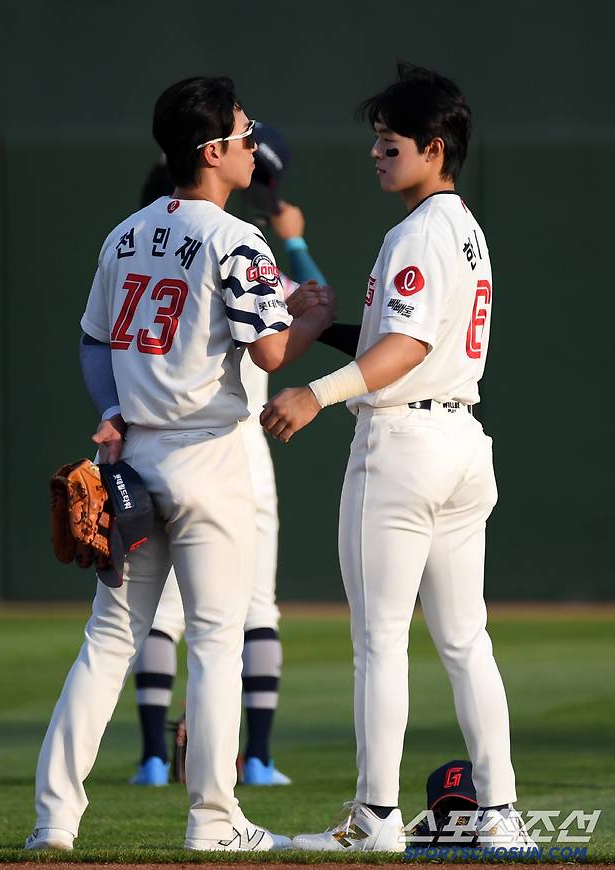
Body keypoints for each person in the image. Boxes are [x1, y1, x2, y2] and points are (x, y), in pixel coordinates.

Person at [25, 75, 334, 853]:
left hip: (135, 454)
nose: (250, 141)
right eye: (241, 131)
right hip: (211, 456)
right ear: (214, 151)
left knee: (108, 642)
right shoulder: (237, 240)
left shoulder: (123, 233)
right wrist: (311, 323)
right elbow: (267, 351)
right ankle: (213, 820)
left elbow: (95, 339)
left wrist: (107, 411)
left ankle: (54, 822)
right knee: (216, 641)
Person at [261, 63, 536, 852]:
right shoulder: (466, 229)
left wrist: (315, 391)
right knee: (464, 639)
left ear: (435, 148)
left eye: (391, 143)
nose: (377, 154)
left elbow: (408, 346)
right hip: (460, 442)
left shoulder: (417, 233)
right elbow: (414, 341)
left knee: (380, 640)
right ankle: (501, 815)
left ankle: (375, 820)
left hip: (404, 445)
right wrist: (342, 331)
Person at [129, 129, 327, 787]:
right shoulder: (241, 243)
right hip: (231, 441)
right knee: (247, 608)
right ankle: (257, 760)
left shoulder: (141, 241)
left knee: (156, 613)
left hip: (150, 430)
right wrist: (292, 236)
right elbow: (320, 304)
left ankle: (154, 757)